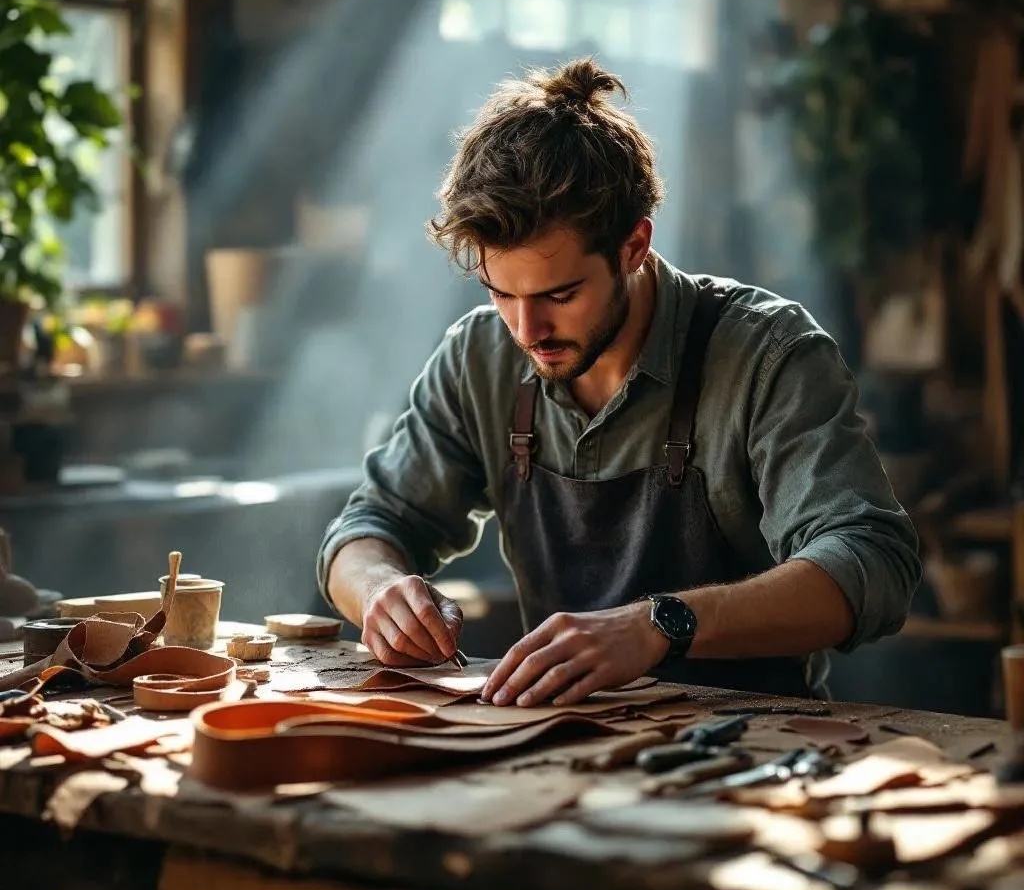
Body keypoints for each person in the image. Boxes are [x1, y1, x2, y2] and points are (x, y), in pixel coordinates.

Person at [317, 58, 920, 706]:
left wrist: (660, 624)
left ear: (634, 247)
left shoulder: (767, 354)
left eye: (561, 293)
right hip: (554, 742)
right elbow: (366, 527)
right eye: (501, 293)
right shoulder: (480, 357)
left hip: (750, 751)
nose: (528, 329)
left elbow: (873, 562)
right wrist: (381, 590)